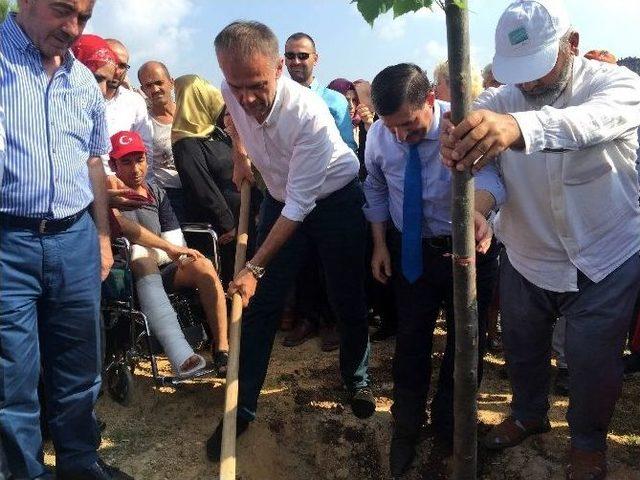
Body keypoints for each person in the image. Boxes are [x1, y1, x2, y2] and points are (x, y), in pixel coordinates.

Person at [441, 1, 640, 479]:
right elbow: (488, 174)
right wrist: (479, 209)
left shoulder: (618, 86)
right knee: (522, 348)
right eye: (519, 73)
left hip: (606, 256)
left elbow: (585, 125)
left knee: (593, 363)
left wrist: (518, 127)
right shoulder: (498, 102)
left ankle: (588, 442)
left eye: (538, 68)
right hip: (527, 257)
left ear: (571, 45)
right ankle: (529, 415)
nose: (528, 84)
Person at [206, 20, 374, 461]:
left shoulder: (309, 115)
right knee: (260, 308)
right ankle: (241, 409)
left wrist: (253, 266)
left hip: (333, 200)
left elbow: (302, 206)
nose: (246, 97)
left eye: (257, 85)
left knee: (345, 296)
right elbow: (233, 117)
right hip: (280, 200)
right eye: (236, 84)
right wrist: (241, 154)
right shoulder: (231, 88)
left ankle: (356, 378)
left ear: (279, 67)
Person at [0, 2, 133, 479]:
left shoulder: (82, 81)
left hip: (75, 237)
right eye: (63, 11)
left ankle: (80, 463)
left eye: (84, 18)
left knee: (80, 366)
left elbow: (94, 162)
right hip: (8, 244)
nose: (73, 29)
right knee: (11, 379)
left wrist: (100, 237)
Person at [364, 63, 505, 476]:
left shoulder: (464, 126)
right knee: (411, 341)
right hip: (411, 252)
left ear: (430, 100)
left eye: (408, 125)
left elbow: (495, 180)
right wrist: (378, 245)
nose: (399, 136)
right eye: (391, 127)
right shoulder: (379, 135)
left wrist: (478, 213)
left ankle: (452, 424)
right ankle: (406, 424)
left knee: (466, 343)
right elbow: (373, 185)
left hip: (468, 250)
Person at [108, 131, 229, 375]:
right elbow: (123, 227)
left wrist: (171, 250)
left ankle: (222, 349)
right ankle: (181, 355)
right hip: (124, 278)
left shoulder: (156, 192)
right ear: (113, 164)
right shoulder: (109, 193)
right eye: (126, 162)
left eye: (139, 159)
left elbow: (174, 238)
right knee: (141, 256)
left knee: (202, 265)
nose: (135, 169)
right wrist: (167, 248)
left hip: (162, 269)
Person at [284, 32, 357, 151]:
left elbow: (348, 148)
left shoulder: (335, 101)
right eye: (290, 56)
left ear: (315, 59)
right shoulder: (278, 100)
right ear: (285, 59)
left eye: (303, 56)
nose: (296, 61)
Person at [137, 61, 187, 221]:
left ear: (171, 82)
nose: (155, 89)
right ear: (143, 90)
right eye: (148, 85)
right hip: (171, 196)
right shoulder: (144, 124)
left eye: (159, 83)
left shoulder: (191, 114)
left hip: (203, 190)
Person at [102, 38, 153, 183]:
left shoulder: (134, 102)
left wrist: (144, 190)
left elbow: (146, 149)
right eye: (112, 62)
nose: (117, 71)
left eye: (123, 66)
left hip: (127, 189)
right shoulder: (76, 97)